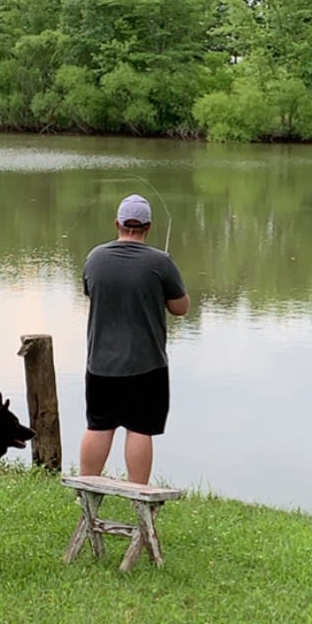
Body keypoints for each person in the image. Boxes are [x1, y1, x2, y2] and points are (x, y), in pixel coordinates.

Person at [80, 193, 189, 485]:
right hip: (147, 365)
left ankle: (87, 492)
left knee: (98, 425)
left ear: (117, 223)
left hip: (100, 364)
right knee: (140, 429)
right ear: (148, 227)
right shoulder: (161, 261)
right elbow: (181, 308)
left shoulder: (94, 258)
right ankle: (138, 496)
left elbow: (90, 291)